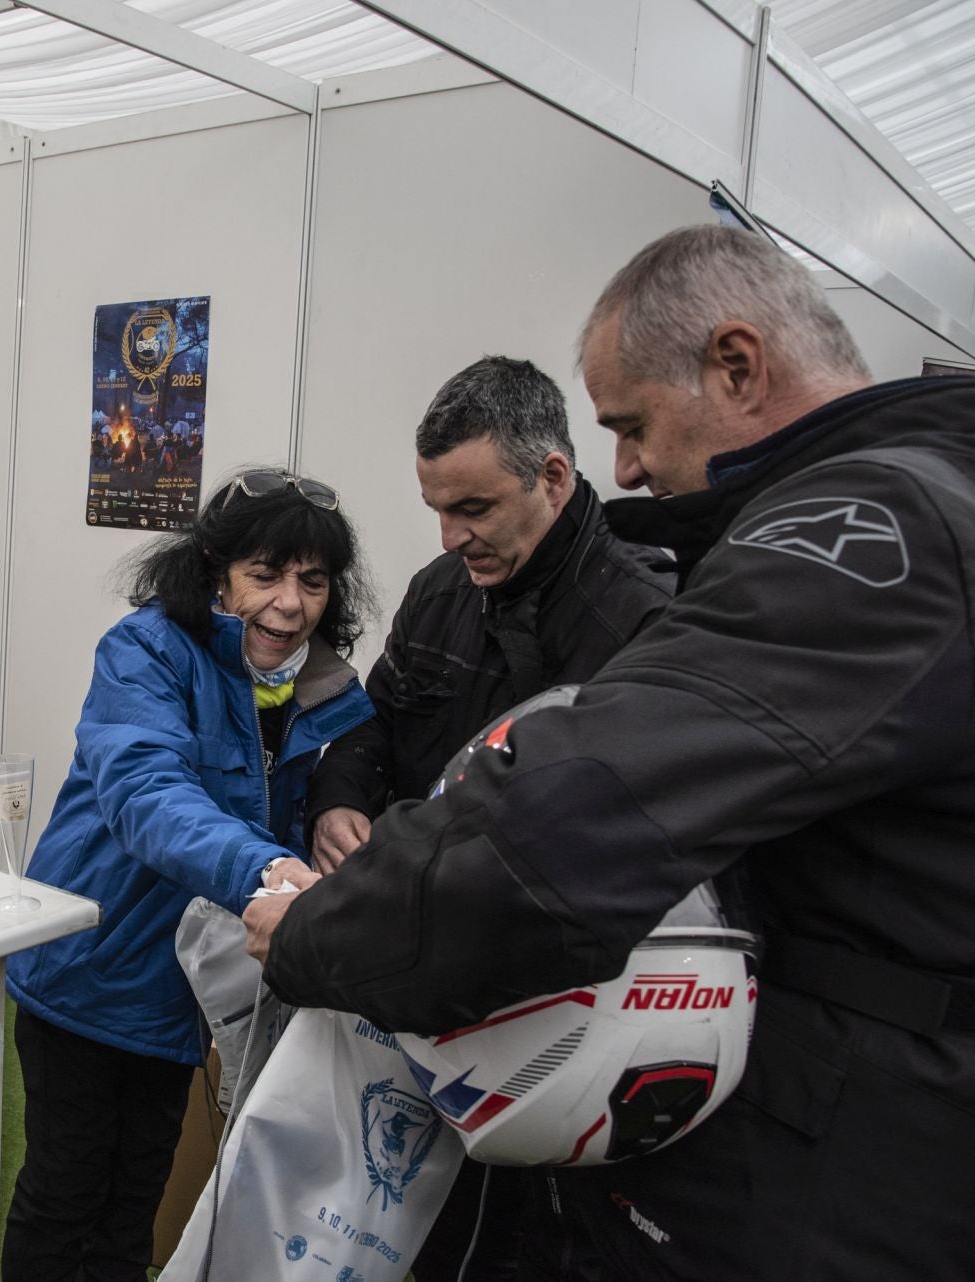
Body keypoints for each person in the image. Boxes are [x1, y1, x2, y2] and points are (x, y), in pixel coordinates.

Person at [247, 224, 975, 1280]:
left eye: (632, 425)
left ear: (736, 364)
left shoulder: (880, 531)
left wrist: (318, 935)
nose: (628, 463)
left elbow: (561, 825)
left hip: (883, 1154)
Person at [303, 354, 671, 1278]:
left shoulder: (639, 622)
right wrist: (340, 798)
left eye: (473, 509)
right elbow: (373, 722)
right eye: (437, 507)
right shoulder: (439, 592)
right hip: (422, 987)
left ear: (553, 477)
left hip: (555, 1027)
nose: (450, 534)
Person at [2, 467, 377, 1282]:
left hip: (184, 996)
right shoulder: (145, 651)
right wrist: (271, 868)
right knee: (65, 1196)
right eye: (265, 574)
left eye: (312, 581)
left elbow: (350, 766)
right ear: (215, 573)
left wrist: (332, 808)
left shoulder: (319, 690)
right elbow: (146, 793)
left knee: (136, 1197)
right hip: (88, 974)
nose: (289, 603)